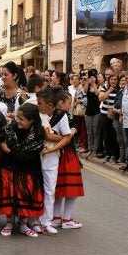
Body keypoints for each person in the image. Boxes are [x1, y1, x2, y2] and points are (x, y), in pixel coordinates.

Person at [0, 103, 45, 237]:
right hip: (8, 168)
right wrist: (10, 151)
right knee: (9, 195)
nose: (17, 120)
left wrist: (9, 151)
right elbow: (0, 141)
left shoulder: (38, 134)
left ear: (31, 120)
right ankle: (9, 224)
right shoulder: (9, 129)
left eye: (21, 119)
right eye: (17, 117)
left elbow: (26, 157)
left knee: (25, 197)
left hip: (28, 170)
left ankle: (23, 225)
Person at [35, 87, 73, 235]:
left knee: (49, 190)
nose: (37, 105)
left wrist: (52, 149)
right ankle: (34, 220)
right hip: (36, 155)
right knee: (36, 188)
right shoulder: (37, 114)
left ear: (49, 105)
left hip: (51, 157)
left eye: (40, 103)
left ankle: (46, 221)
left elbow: (67, 136)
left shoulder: (61, 116)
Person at [53, 90, 84, 230]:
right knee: (71, 189)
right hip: (67, 154)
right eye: (68, 103)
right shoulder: (64, 115)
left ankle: (56, 218)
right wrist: (71, 132)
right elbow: (67, 134)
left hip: (57, 153)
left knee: (59, 188)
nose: (70, 105)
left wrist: (73, 129)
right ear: (61, 103)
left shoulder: (53, 114)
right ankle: (67, 219)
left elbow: (75, 126)